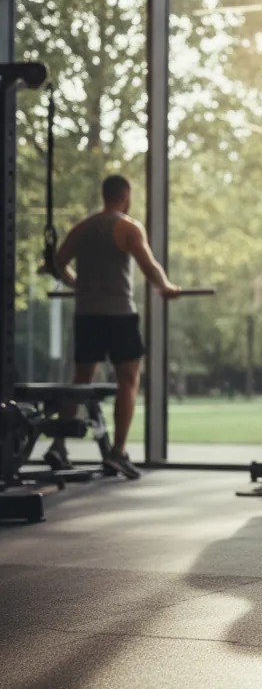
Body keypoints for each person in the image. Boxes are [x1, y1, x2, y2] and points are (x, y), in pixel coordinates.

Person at [45, 174, 180, 478]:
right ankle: (117, 452)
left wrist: (75, 282)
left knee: (81, 379)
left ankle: (59, 445)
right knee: (129, 381)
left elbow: (55, 263)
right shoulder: (128, 227)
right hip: (119, 313)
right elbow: (149, 265)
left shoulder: (82, 228)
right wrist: (167, 286)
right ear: (125, 195)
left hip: (87, 314)